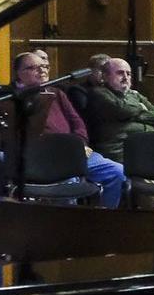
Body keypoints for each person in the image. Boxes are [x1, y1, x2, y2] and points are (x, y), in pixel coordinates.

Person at [11, 51, 126, 207]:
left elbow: (76, 121)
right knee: (68, 181)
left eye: (45, 66)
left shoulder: (57, 92)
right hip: (44, 156)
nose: (42, 70)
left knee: (117, 172)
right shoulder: (11, 97)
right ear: (18, 73)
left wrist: (81, 145)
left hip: (75, 151)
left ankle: (106, 219)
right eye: (34, 67)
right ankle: (67, 225)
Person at [83, 56, 154, 165]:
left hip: (144, 149)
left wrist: (134, 115)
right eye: (120, 73)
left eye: (128, 74)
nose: (125, 77)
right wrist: (140, 108)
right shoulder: (99, 93)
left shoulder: (133, 94)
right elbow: (122, 110)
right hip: (118, 152)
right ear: (105, 76)